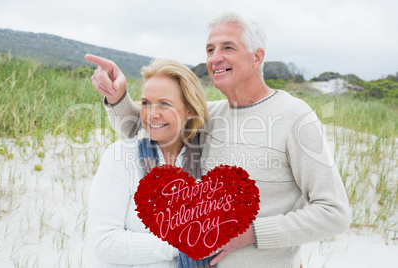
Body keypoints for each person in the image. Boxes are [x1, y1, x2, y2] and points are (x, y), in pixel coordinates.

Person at [86, 10, 351, 268]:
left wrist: (251, 233)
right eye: (210, 50)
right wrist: (117, 96)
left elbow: (334, 212)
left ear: (257, 57)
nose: (215, 58)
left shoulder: (296, 117)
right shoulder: (211, 114)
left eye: (228, 48)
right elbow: (149, 125)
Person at [88, 57, 217, 267]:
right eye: (146, 103)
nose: (152, 114)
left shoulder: (205, 159)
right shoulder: (121, 156)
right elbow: (105, 244)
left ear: (190, 110)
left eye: (164, 104)